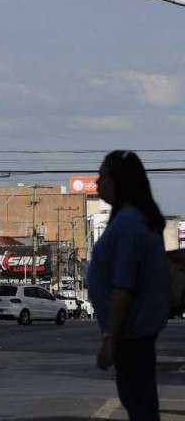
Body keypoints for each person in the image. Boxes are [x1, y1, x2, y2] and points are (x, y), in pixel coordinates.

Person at [87, 150, 169, 420]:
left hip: (131, 335)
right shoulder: (132, 220)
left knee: (140, 405)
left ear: (116, 181)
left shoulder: (128, 225)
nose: (97, 183)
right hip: (135, 334)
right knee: (140, 403)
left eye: (102, 176)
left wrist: (110, 338)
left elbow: (124, 287)